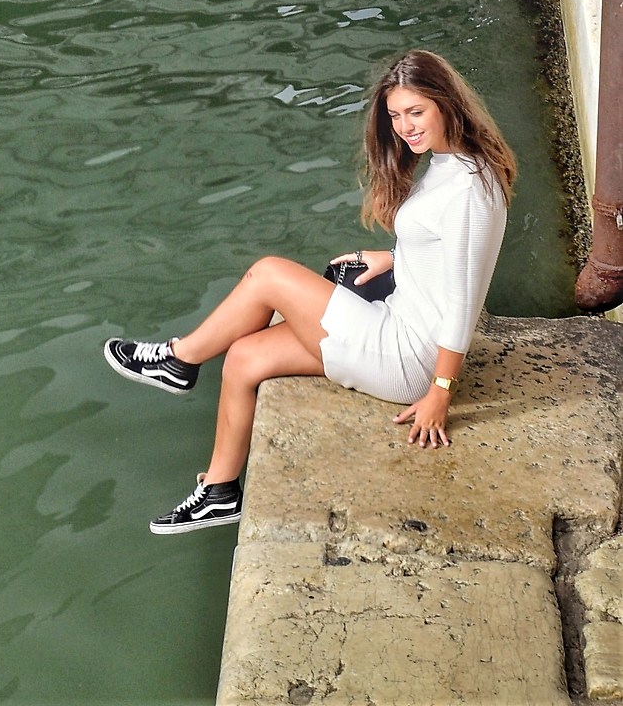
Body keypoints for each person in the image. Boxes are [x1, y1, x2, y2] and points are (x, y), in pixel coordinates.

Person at [103, 49, 515, 536]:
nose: (405, 127)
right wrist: (395, 257)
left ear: (446, 103)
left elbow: (465, 303)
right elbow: (447, 253)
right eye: (395, 115)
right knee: (244, 356)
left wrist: (440, 394)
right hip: (398, 327)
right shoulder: (452, 164)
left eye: (416, 112)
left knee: (269, 275)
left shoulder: (468, 189)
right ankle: (219, 492)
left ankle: (179, 359)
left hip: (409, 356)